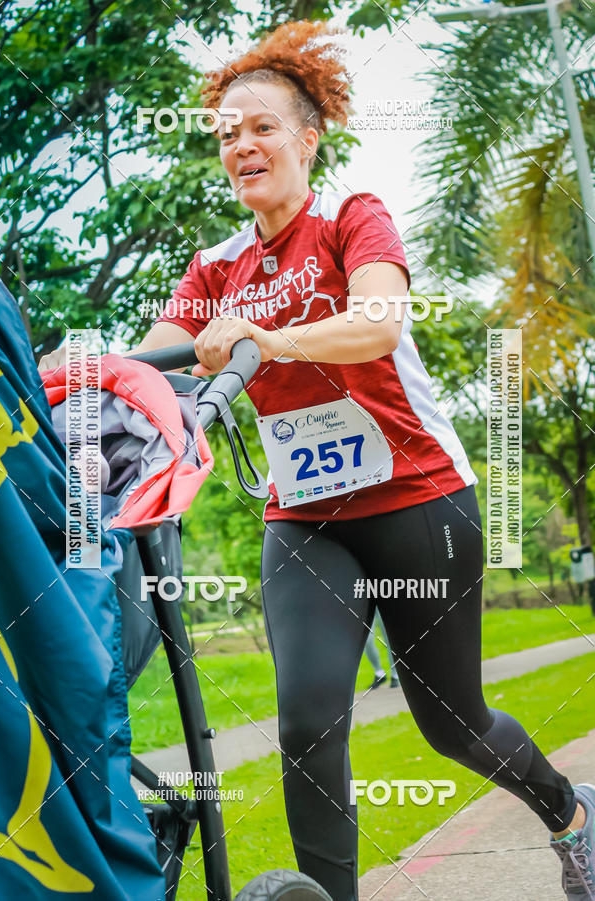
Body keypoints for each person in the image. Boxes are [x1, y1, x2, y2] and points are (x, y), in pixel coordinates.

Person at [38, 19, 595, 901]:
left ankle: (571, 816)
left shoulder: (351, 220)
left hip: (418, 502)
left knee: (451, 722)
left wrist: (268, 335)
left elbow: (376, 322)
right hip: (305, 518)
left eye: (260, 126)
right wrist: (67, 384)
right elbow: (146, 371)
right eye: (225, 134)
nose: (241, 145)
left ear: (307, 135)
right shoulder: (215, 268)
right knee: (306, 718)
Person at [364, 610, 399, 689]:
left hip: (384, 601)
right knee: (366, 639)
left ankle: (395, 674)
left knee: (390, 637)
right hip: (365, 601)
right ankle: (379, 673)